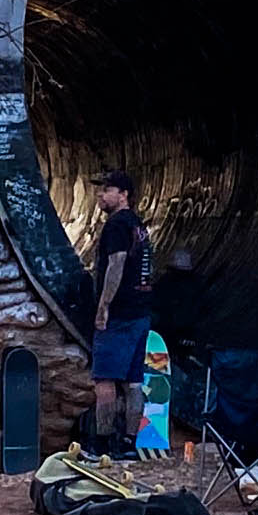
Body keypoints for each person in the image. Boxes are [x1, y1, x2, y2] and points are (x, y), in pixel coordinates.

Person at [89, 170, 154, 456]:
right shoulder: (138, 225)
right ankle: (129, 444)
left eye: (107, 190)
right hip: (141, 313)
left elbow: (116, 264)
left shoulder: (116, 225)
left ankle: (102, 444)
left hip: (119, 315)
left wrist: (104, 306)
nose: (101, 195)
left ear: (123, 195)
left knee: (104, 381)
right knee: (134, 383)